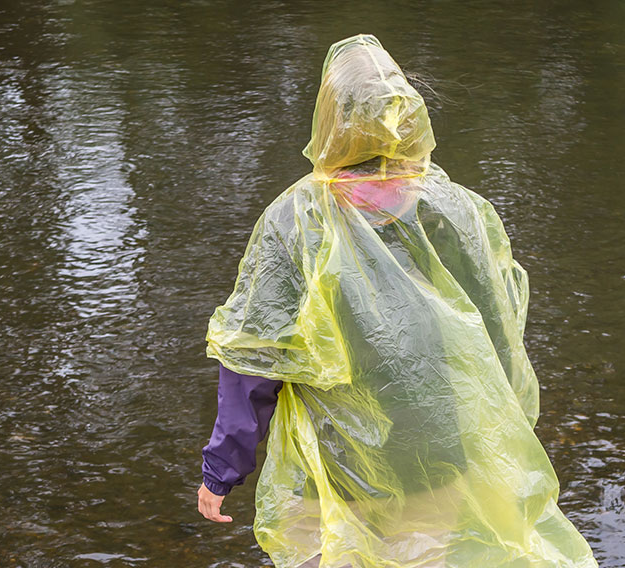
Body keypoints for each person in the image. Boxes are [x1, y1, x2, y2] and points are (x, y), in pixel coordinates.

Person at [198, 34, 598, 568]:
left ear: (330, 121)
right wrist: (502, 435)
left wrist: (222, 469)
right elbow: (497, 335)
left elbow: (254, 357)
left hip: (335, 464)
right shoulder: (457, 210)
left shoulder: (297, 219)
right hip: (438, 459)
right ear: (410, 118)